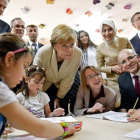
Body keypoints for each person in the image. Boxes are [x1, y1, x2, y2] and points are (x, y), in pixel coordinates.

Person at [0, 33, 75, 137]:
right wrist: (66, 129)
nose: (23, 75)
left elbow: (15, 121)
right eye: (24, 66)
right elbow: (40, 129)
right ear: (9, 59)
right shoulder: (1, 91)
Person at [33, 24, 82, 115]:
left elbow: (69, 78)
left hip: (63, 87)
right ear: (54, 45)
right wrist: (40, 98)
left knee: (62, 113)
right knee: (43, 113)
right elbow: (36, 78)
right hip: (43, 86)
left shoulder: (77, 53)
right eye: (64, 46)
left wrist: (59, 97)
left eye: (72, 45)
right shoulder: (43, 52)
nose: (70, 50)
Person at [96, 19, 133, 108]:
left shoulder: (124, 41)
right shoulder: (100, 48)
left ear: (115, 29)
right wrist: (112, 68)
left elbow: (133, 56)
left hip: (128, 75)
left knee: (132, 100)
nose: (107, 33)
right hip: (113, 80)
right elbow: (100, 67)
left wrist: (126, 66)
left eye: (110, 29)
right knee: (118, 104)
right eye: (104, 30)